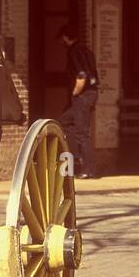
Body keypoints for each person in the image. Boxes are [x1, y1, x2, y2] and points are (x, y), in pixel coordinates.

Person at [56, 24, 99, 179]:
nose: (61, 42)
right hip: (92, 93)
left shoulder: (74, 52)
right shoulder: (87, 50)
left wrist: (75, 94)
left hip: (83, 95)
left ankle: (89, 170)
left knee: (82, 133)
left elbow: (81, 76)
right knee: (64, 122)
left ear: (66, 38)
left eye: (61, 39)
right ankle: (75, 160)